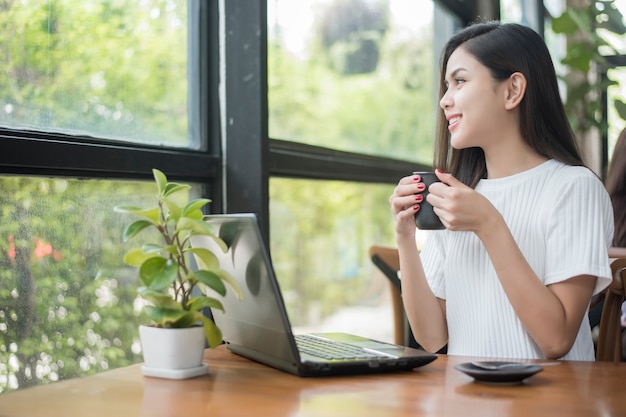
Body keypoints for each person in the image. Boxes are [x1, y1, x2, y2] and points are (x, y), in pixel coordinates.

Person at [389, 21, 614, 361]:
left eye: (459, 81)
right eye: (445, 87)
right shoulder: (458, 196)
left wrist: (489, 225)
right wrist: (405, 236)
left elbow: (556, 340)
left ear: (512, 90)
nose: (444, 101)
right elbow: (433, 337)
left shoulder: (574, 188)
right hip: (466, 403)